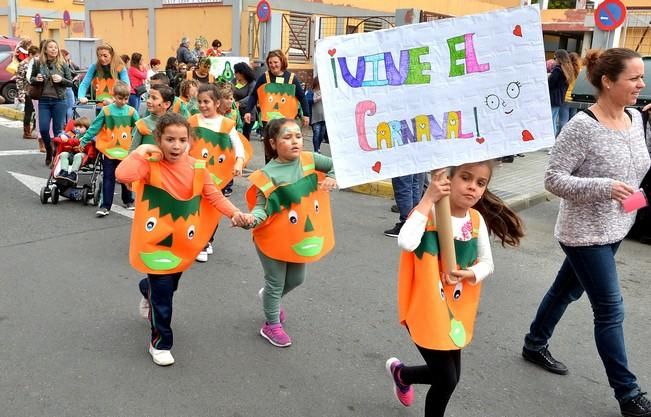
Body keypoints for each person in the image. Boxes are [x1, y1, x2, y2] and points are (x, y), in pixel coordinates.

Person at [522, 48, 651, 417]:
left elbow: (637, 168)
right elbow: (552, 179)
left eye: (642, 77)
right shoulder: (581, 126)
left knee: (566, 289)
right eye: (634, 78)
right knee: (610, 309)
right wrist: (604, 187)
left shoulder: (634, 119)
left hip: (617, 226)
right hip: (584, 233)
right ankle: (629, 394)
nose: (641, 84)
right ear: (608, 82)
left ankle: (534, 343)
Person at [116, 112, 253, 366]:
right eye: (169, 139)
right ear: (159, 139)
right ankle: (161, 342)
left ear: (190, 141)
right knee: (164, 294)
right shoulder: (150, 163)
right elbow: (123, 176)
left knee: (169, 285)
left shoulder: (198, 167)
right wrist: (142, 150)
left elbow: (213, 195)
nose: (176, 146)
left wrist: (235, 213)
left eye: (181, 140)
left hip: (183, 243)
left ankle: (146, 290)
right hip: (154, 242)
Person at [387, 162, 523, 417]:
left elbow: (487, 263)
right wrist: (428, 198)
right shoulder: (427, 214)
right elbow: (406, 242)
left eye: (480, 183)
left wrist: (471, 273)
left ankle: (402, 374)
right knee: (446, 380)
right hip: (426, 309)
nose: (472, 187)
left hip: (455, 312)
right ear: (448, 179)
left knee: (450, 376)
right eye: (466, 178)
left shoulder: (476, 220)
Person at [246, 118, 336, 348]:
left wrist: (332, 177)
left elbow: (336, 164)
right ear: (273, 143)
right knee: (276, 282)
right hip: (272, 238)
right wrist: (249, 220)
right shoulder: (266, 174)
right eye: (287, 137)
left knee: (297, 279)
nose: (295, 141)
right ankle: (271, 324)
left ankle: (269, 298)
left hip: (299, 238)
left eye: (298, 136)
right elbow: (260, 208)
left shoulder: (310, 159)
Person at [188, 83, 247, 262]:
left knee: (212, 208)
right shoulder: (192, 121)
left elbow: (238, 145)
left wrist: (239, 162)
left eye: (207, 101)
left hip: (216, 176)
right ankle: (196, 237)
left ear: (217, 103)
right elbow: (185, 142)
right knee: (194, 207)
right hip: (194, 172)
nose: (203, 105)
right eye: (200, 101)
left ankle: (206, 241)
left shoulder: (226, 124)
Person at [79, 81, 139, 217]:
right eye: (120, 98)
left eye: (126, 98)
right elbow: (95, 126)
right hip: (109, 150)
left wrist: (135, 141)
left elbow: (138, 127)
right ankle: (105, 205)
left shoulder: (131, 111)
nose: (123, 101)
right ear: (113, 95)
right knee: (108, 178)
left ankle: (128, 200)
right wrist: (84, 140)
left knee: (125, 177)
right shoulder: (106, 111)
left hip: (126, 151)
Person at [243, 50, 310, 163]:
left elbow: (302, 97)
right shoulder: (264, 77)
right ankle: (270, 174)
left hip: (287, 121)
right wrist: (248, 111)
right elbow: (254, 95)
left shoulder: (291, 78)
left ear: (282, 61)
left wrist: (306, 114)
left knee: (286, 147)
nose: (273, 65)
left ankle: (286, 172)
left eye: (275, 62)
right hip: (269, 121)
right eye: (270, 63)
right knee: (270, 149)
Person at [29, 39, 74, 166]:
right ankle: (49, 149)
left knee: (57, 131)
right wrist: (36, 79)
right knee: (43, 129)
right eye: (51, 47)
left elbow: (70, 82)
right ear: (46, 50)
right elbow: (31, 79)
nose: (54, 49)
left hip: (59, 101)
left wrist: (61, 79)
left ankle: (56, 155)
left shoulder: (62, 63)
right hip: (44, 101)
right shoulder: (38, 63)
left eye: (56, 47)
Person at [130, 84, 174, 150]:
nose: (148, 101)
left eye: (154, 98)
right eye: (148, 97)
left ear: (166, 104)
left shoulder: (174, 126)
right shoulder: (142, 124)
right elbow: (133, 151)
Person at [53, 116, 91, 183]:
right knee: (63, 154)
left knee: (78, 155)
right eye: (76, 127)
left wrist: (85, 139)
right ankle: (64, 171)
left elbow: (94, 139)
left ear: (87, 128)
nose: (77, 129)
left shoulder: (89, 135)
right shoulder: (73, 134)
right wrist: (62, 135)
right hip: (71, 154)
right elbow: (62, 133)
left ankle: (74, 173)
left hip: (83, 155)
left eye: (80, 127)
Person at [548, 49, 576, 137]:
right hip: (560, 98)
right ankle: (554, 140)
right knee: (554, 119)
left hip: (553, 98)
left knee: (551, 120)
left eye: (555, 58)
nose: (554, 60)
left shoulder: (557, 70)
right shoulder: (568, 70)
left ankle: (551, 141)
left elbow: (550, 84)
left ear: (559, 58)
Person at [17, 45, 39, 139]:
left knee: (37, 111)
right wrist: (21, 93)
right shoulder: (23, 64)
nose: (37, 58)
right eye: (36, 56)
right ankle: (26, 132)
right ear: (30, 54)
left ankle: (35, 129)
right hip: (27, 91)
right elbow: (19, 79)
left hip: (36, 90)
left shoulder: (36, 64)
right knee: (28, 112)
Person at [558, 51, 582, 131]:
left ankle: (560, 140)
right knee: (572, 122)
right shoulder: (580, 72)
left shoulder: (566, 71)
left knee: (563, 122)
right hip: (575, 99)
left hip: (565, 98)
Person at [233, 62, 256, 139]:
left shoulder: (252, 83)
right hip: (236, 113)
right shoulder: (233, 81)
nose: (235, 74)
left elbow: (251, 97)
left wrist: (239, 103)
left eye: (236, 72)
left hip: (248, 114)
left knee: (245, 137)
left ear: (242, 73)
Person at [310, 77, 325, 153]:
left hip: (324, 117)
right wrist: (319, 98)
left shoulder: (325, 91)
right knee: (316, 133)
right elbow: (309, 101)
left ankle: (318, 147)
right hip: (315, 118)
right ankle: (316, 150)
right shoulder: (311, 92)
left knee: (321, 135)